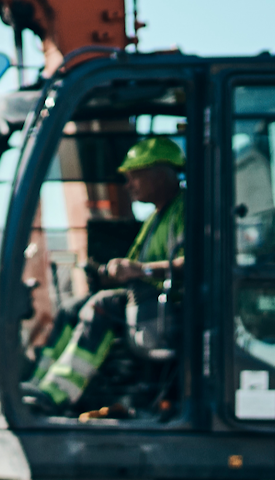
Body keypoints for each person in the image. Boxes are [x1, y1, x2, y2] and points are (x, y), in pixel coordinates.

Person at [25, 136, 187, 413]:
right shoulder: (155, 218)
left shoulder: (188, 208)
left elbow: (201, 261)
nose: (128, 185)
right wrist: (106, 274)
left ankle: (57, 395)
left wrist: (142, 270)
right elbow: (135, 265)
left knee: (103, 306)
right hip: (147, 299)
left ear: (162, 172)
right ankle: (39, 383)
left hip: (174, 304)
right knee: (70, 308)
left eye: (135, 176)